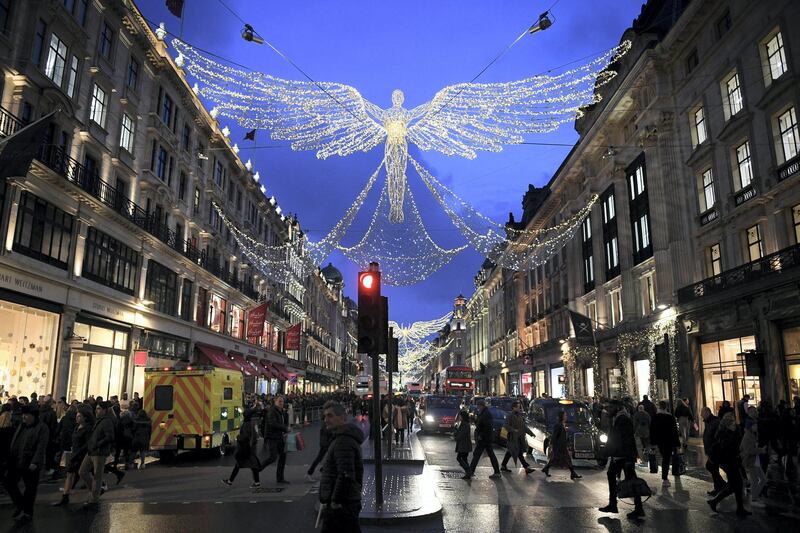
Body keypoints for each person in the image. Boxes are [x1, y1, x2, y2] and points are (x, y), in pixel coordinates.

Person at [319, 401, 364, 533]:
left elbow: (345, 474)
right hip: (346, 501)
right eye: (325, 416)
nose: (326, 420)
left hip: (342, 504)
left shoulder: (343, 441)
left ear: (342, 417)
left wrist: (335, 501)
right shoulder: (341, 438)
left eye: (330, 416)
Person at [599, 404, 644, 520]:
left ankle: (615, 504)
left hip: (622, 455)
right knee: (630, 480)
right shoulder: (620, 418)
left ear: (617, 408)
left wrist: (617, 454)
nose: (607, 411)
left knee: (627, 479)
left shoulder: (622, 419)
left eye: (610, 408)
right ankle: (636, 507)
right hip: (623, 455)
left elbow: (622, 439)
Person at [4, 405, 49, 521]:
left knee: (30, 488)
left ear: (33, 416)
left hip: (30, 461)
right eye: (23, 414)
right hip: (17, 460)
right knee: (9, 482)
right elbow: (15, 441)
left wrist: (35, 461)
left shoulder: (42, 428)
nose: (23, 417)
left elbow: (41, 446)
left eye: (26, 415)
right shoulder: (22, 426)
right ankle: (21, 505)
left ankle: (27, 512)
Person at [708, 412, 750, 517]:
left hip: (733, 462)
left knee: (734, 486)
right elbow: (728, 450)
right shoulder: (725, 435)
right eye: (732, 424)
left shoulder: (733, 433)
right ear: (727, 425)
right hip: (728, 464)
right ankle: (738, 509)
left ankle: (716, 502)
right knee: (737, 485)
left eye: (734, 423)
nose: (734, 426)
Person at [53, 404, 94, 507]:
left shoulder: (87, 429)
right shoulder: (77, 427)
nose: (77, 417)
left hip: (82, 455)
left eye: (79, 416)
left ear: (85, 417)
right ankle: (65, 496)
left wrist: (79, 452)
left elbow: (87, 444)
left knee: (83, 474)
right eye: (77, 415)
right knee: (70, 474)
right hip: (74, 453)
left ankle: (94, 492)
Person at [79, 401, 116, 507]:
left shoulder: (107, 421)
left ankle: (94, 497)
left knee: (97, 475)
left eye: (99, 409)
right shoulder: (98, 421)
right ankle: (95, 491)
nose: (96, 410)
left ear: (104, 410)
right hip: (92, 450)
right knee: (82, 471)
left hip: (99, 452)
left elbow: (110, 437)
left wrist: (98, 444)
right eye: (96, 408)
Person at [222, 408, 261, 488]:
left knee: (246, 465)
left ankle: (256, 483)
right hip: (249, 449)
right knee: (250, 465)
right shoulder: (250, 423)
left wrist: (238, 437)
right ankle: (230, 481)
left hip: (246, 448)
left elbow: (245, 437)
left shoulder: (246, 424)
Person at [467, 399, 501, 479]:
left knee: (477, 454)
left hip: (484, 438)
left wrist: (481, 435)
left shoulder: (486, 414)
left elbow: (487, 427)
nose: (477, 408)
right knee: (489, 454)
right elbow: (480, 424)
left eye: (478, 406)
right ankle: (497, 472)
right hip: (485, 438)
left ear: (481, 406)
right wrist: (474, 420)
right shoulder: (483, 413)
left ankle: (471, 471)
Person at [541, 410, 579, 479]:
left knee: (558, 459)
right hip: (559, 446)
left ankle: (546, 468)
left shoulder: (562, 424)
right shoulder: (558, 425)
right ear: (562, 416)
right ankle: (573, 473)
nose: (566, 416)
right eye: (565, 415)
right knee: (562, 459)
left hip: (562, 445)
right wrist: (552, 445)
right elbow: (554, 436)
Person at [650, 400, 680, 487]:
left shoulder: (655, 417)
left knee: (663, 458)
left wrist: (653, 443)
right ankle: (665, 478)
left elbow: (652, 431)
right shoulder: (670, 417)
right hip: (668, 441)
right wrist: (677, 443)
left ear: (659, 407)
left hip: (659, 441)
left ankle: (664, 477)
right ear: (666, 407)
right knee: (666, 459)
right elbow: (674, 431)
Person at [500, 401, 535, 475]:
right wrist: (513, 430)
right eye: (518, 407)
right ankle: (526, 467)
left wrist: (531, 433)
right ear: (514, 408)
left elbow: (523, 426)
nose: (520, 408)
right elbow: (506, 425)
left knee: (511, 452)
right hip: (513, 438)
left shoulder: (520, 416)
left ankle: (503, 465)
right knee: (517, 453)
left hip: (519, 438)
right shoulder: (510, 416)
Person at [260, 395, 290, 483]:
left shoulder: (282, 412)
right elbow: (273, 424)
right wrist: (284, 428)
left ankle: (280, 478)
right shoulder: (272, 411)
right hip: (272, 437)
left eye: (282, 401)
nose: (281, 403)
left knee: (283, 456)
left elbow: (284, 422)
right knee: (273, 457)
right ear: (275, 402)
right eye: (279, 401)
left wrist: (285, 430)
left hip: (280, 437)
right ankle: (258, 468)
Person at [740, 417, 765, 505]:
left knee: (762, 479)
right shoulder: (747, 436)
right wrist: (760, 450)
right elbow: (749, 450)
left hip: (755, 461)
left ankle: (755, 496)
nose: (756, 426)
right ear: (751, 426)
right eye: (755, 425)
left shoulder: (752, 434)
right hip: (751, 461)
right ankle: (754, 498)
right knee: (756, 480)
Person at [700, 406, 725, 496]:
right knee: (713, 468)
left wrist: (713, 449)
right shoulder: (709, 422)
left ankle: (721, 486)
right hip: (711, 450)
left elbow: (716, 437)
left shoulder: (714, 422)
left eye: (702, 413)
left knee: (711, 467)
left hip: (714, 450)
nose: (701, 415)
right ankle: (720, 486)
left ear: (707, 413)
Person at [306, 417, 333, 481]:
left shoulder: (327, 422)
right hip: (325, 443)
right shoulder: (326, 423)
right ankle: (310, 473)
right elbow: (327, 432)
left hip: (326, 443)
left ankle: (321, 470)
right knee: (320, 458)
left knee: (329, 457)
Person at [131, 402, 151, 470]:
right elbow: (150, 431)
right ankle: (142, 463)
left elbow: (133, 429)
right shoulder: (148, 421)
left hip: (137, 438)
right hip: (144, 438)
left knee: (134, 451)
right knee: (142, 451)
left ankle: (132, 463)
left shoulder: (136, 420)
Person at [454, 410, 472, 479]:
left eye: (460, 416)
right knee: (464, 459)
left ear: (463, 416)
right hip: (464, 444)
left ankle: (468, 471)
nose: (459, 417)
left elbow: (462, 434)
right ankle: (468, 473)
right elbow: (458, 432)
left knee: (459, 458)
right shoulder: (463, 423)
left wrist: (456, 437)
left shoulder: (465, 424)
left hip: (464, 445)